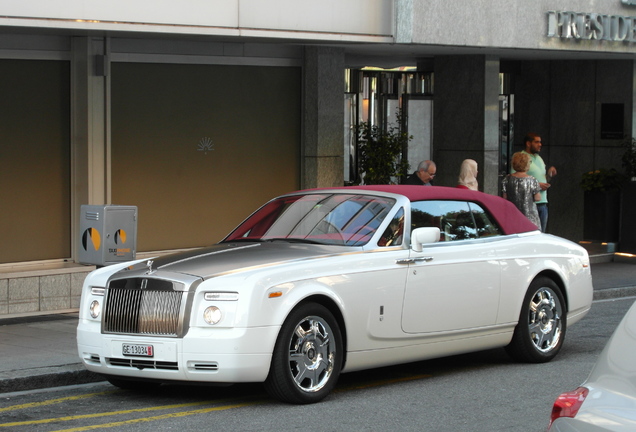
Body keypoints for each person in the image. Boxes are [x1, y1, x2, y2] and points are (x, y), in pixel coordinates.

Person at [520, 132, 557, 232]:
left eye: (540, 142)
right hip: (529, 204)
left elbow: (543, 180)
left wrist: (549, 175)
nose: (540, 144)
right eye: (537, 142)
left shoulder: (539, 158)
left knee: (541, 234)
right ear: (528, 143)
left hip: (543, 203)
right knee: (530, 235)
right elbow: (517, 180)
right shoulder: (521, 157)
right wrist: (537, 185)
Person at [503, 151, 542, 230]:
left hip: (512, 216)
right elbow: (538, 198)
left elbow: (504, 197)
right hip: (529, 217)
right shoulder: (532, 180)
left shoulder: (507, 179)